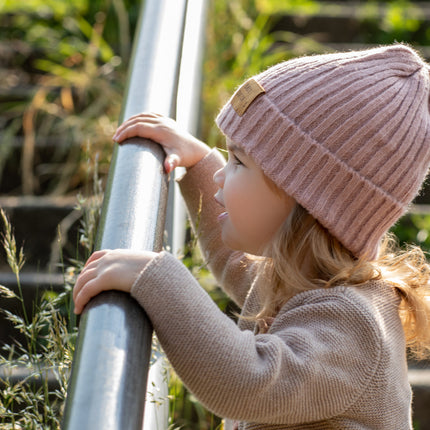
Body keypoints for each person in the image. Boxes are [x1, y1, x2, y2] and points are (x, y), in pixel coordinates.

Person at [73, 44, 430, 429]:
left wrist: (158, 277)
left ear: (309, 200)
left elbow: (248, 380)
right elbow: (237, 266)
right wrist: (197, 163)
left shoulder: (352, 324)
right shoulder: (303, 277)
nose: (220, 176)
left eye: (239, 161)